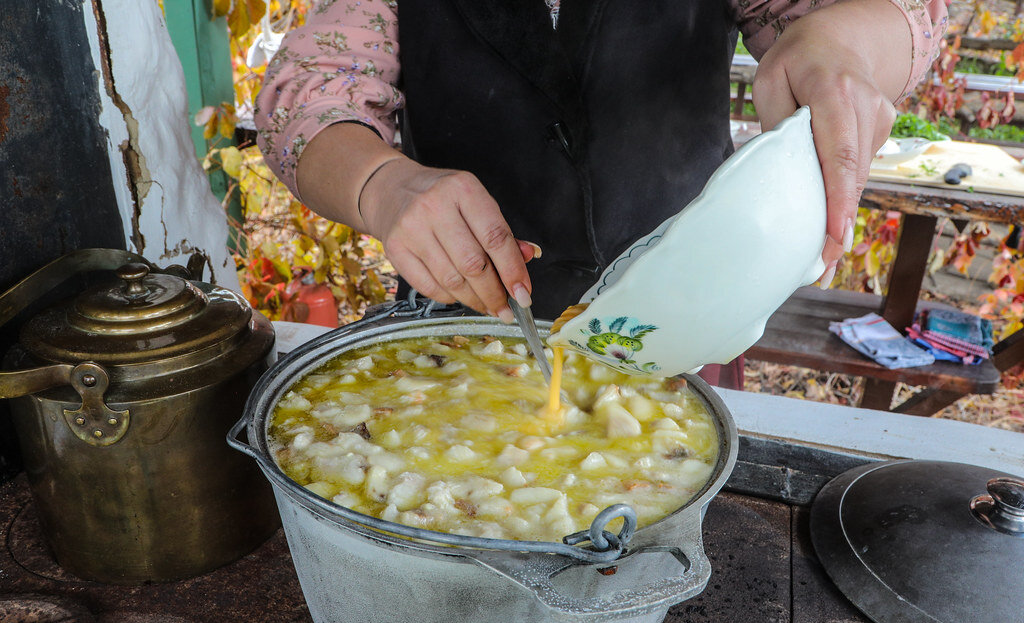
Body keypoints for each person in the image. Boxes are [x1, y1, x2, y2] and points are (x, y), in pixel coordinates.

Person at [255, 0, 947, 389]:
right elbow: (306, 94)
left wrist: (840, 43)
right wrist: (381, 183)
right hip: (460, 335)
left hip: (686, 334)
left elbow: (904, 14)